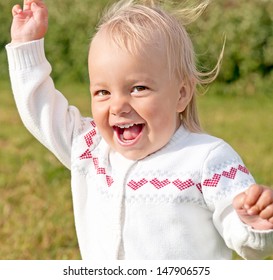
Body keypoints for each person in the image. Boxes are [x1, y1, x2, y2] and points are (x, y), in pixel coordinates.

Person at [6, 0, 273, 260]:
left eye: (138, 88)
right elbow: (41, 110)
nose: (118, 106)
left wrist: (255, 224)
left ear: (181, 94)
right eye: (102, 92)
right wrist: (26, 46)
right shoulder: (90, 147)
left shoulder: (208, 160)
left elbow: (245, 235)